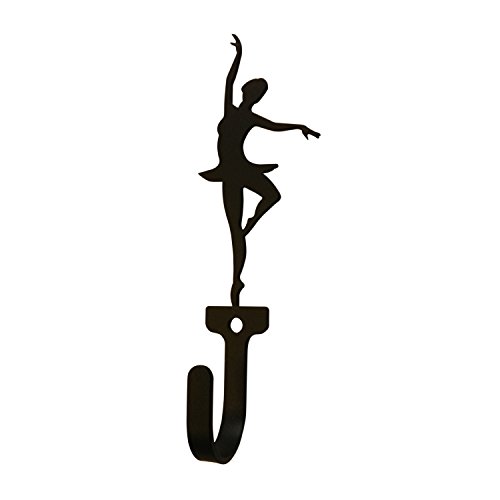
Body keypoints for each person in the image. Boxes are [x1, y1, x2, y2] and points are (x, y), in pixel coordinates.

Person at [200, 35, 320, 306]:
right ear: (247, 93)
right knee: (235, 230)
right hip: (230, 171)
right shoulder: (231, 110)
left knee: (269, 198)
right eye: (253, 92)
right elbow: (228, 81)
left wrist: (299, 127)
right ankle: (236, 281)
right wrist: (238, 56)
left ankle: (251, 223)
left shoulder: (247, 117)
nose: (253, 96)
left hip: (238, 169)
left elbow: (276, 126)